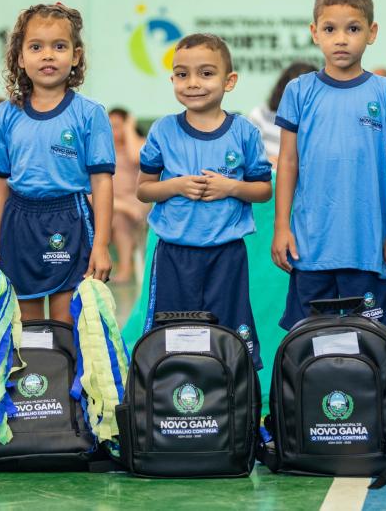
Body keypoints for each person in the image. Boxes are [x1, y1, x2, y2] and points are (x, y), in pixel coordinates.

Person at [271, 0, 386, 332]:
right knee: (309, 345)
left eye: (354, 29)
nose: (341, 39)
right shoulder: (299, 91)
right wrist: (281, 226)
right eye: (330, 29)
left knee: (371, 345)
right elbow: (287, 163)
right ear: (315, 33)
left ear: (372, 33)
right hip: (311, 248)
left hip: (368, 249)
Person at [137, 33, 272, 369]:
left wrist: (231, 187)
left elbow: (263, 190)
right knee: (170, 339)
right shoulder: (163, 131)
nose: (193, 83)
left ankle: (232, 401)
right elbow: (144, 190)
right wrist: (177, 185)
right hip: (174, 256)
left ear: (230, 81)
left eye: (206, 73)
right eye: (182, 74)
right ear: (172, 80)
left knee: (230, 336)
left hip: (226, 256)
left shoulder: (244, 132)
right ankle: (172, 403)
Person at [0, 3, 114, 324]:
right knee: (28, 327)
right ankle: (31, 378)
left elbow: (102, 182)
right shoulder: (6, 114)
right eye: (36, 47)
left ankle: (66, 375)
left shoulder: (90, 114)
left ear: (76, 57)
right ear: (21, 58)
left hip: (71, 220)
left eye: (59, 47)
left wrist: (102, 245)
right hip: (19, 221)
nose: (48, 55)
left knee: (67, 324)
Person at [248, 62, 318, 164]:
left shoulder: (319, 121)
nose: (299, 99)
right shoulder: (260, 115)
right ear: (282, 89)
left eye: (308, 93)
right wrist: (266, 162)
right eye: (294, 91)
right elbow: (246, 156)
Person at [108, 107, 148, 284]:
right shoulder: (104, 149)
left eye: (118, 126)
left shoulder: (140, 143)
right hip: (109, 201)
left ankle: (124, 268)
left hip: (135, 200)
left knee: (118, 218)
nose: (114, 132)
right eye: (110, 127)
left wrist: (130, 127)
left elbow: (134, 157)